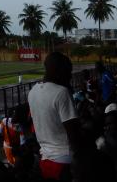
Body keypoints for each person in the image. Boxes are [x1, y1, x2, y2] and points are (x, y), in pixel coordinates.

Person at [28, 52, 80, 181]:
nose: (70, 76)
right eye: (68, 72)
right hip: (65, 160)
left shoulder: (33, 91)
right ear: (58, 71)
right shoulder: (62, 92)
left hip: (45, 158)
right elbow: (74, 135)